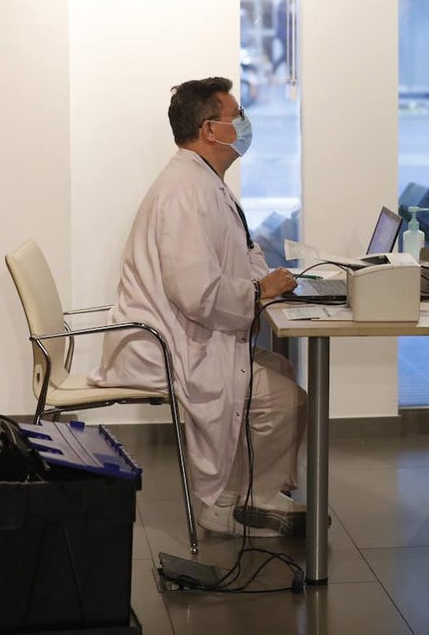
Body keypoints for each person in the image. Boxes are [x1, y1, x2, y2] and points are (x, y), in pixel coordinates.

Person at [89, 77, 306, 538]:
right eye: (238, 116)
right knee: (285, 398)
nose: (244, 124)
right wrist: (258, 292)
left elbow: (234, 256)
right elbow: (197, 292)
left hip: (181, 334)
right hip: (165, 347)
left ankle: (256, 491)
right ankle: (231, 505)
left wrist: (265, 284)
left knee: (280, 373)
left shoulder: (201, 181)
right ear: (211, 130)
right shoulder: (188, 191)